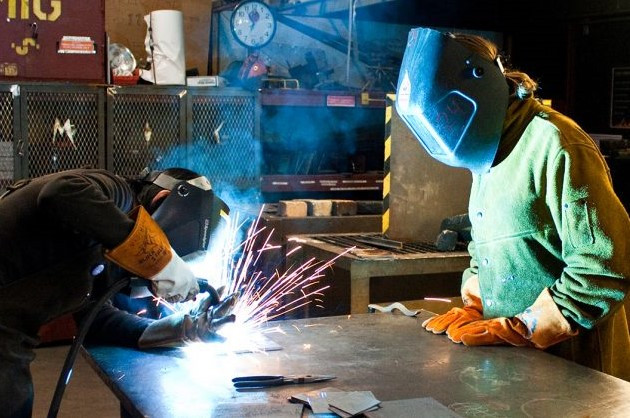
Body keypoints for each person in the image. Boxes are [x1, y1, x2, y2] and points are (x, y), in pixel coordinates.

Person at [396, 27, 630, 380]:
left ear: (478, 84)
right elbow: (487, 249)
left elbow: (603, 268)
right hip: (514, 369)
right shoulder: (489, 149)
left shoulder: (556, 144)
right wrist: (477, 305)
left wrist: (526, 326)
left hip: (575, 372)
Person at [0, 167, 236, 417]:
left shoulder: (99, 245)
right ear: (161, 199)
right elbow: (59, 192)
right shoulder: (116, 193)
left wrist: (181, 328)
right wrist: (159, 261)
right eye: (162, 249)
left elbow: (95, 320)